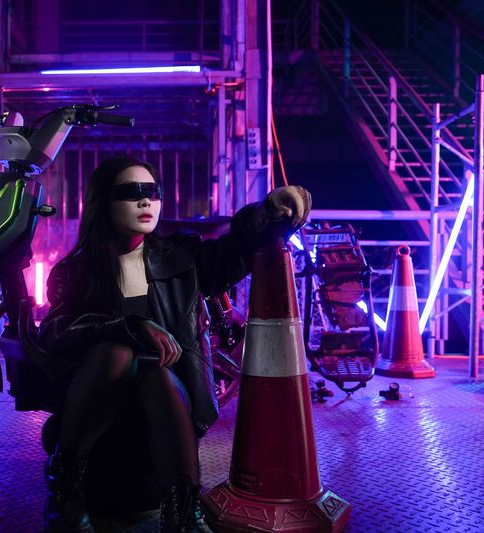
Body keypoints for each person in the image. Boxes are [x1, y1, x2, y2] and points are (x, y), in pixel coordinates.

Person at [37, 155, 311, 533]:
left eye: (153, 192)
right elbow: (55, 332)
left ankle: (184, 513)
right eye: (131, 192)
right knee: (116, 352)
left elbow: (235, 250)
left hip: (165, 427)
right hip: (98, 432)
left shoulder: (182, 257)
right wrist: (129, 326)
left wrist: (269, 211)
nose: (145, 201)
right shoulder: (75, 272)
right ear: (103, 201)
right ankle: (65, 487)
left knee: (158, 374)